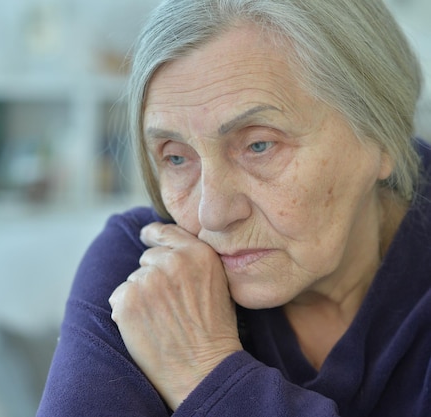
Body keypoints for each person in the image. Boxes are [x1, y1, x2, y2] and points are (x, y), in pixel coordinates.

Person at [37, 0, 431, 415]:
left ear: (382, 135)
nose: (212, 214)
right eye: (176, 157)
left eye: (259, 145)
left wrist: (206, 373)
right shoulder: (144, 274)